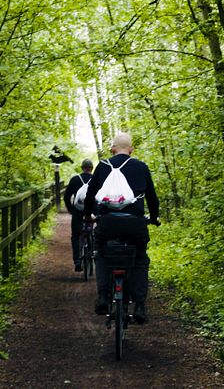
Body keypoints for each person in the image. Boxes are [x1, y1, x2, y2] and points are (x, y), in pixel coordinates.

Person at [83, 132, 159, 324]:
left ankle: (102, 297)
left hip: (107, 223)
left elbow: (91, 195)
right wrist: (155, 217)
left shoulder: (102, 166)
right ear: (131, 150)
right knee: (140, 259)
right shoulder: (141, 167)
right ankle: (140, 306)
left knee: (100, 253)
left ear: (112, 149)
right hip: (135, 224)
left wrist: (88, 215)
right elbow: (152, 198)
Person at [63, 159, 94, 272]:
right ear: (92, 168)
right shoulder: (96, 179)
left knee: (76, 236)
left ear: (82, 167)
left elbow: (66, 197)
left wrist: (71, 210)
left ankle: (77, 261)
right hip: (91, 211)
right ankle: (91, 252)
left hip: (78, 211)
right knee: (93, 232)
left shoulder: (75, 180)